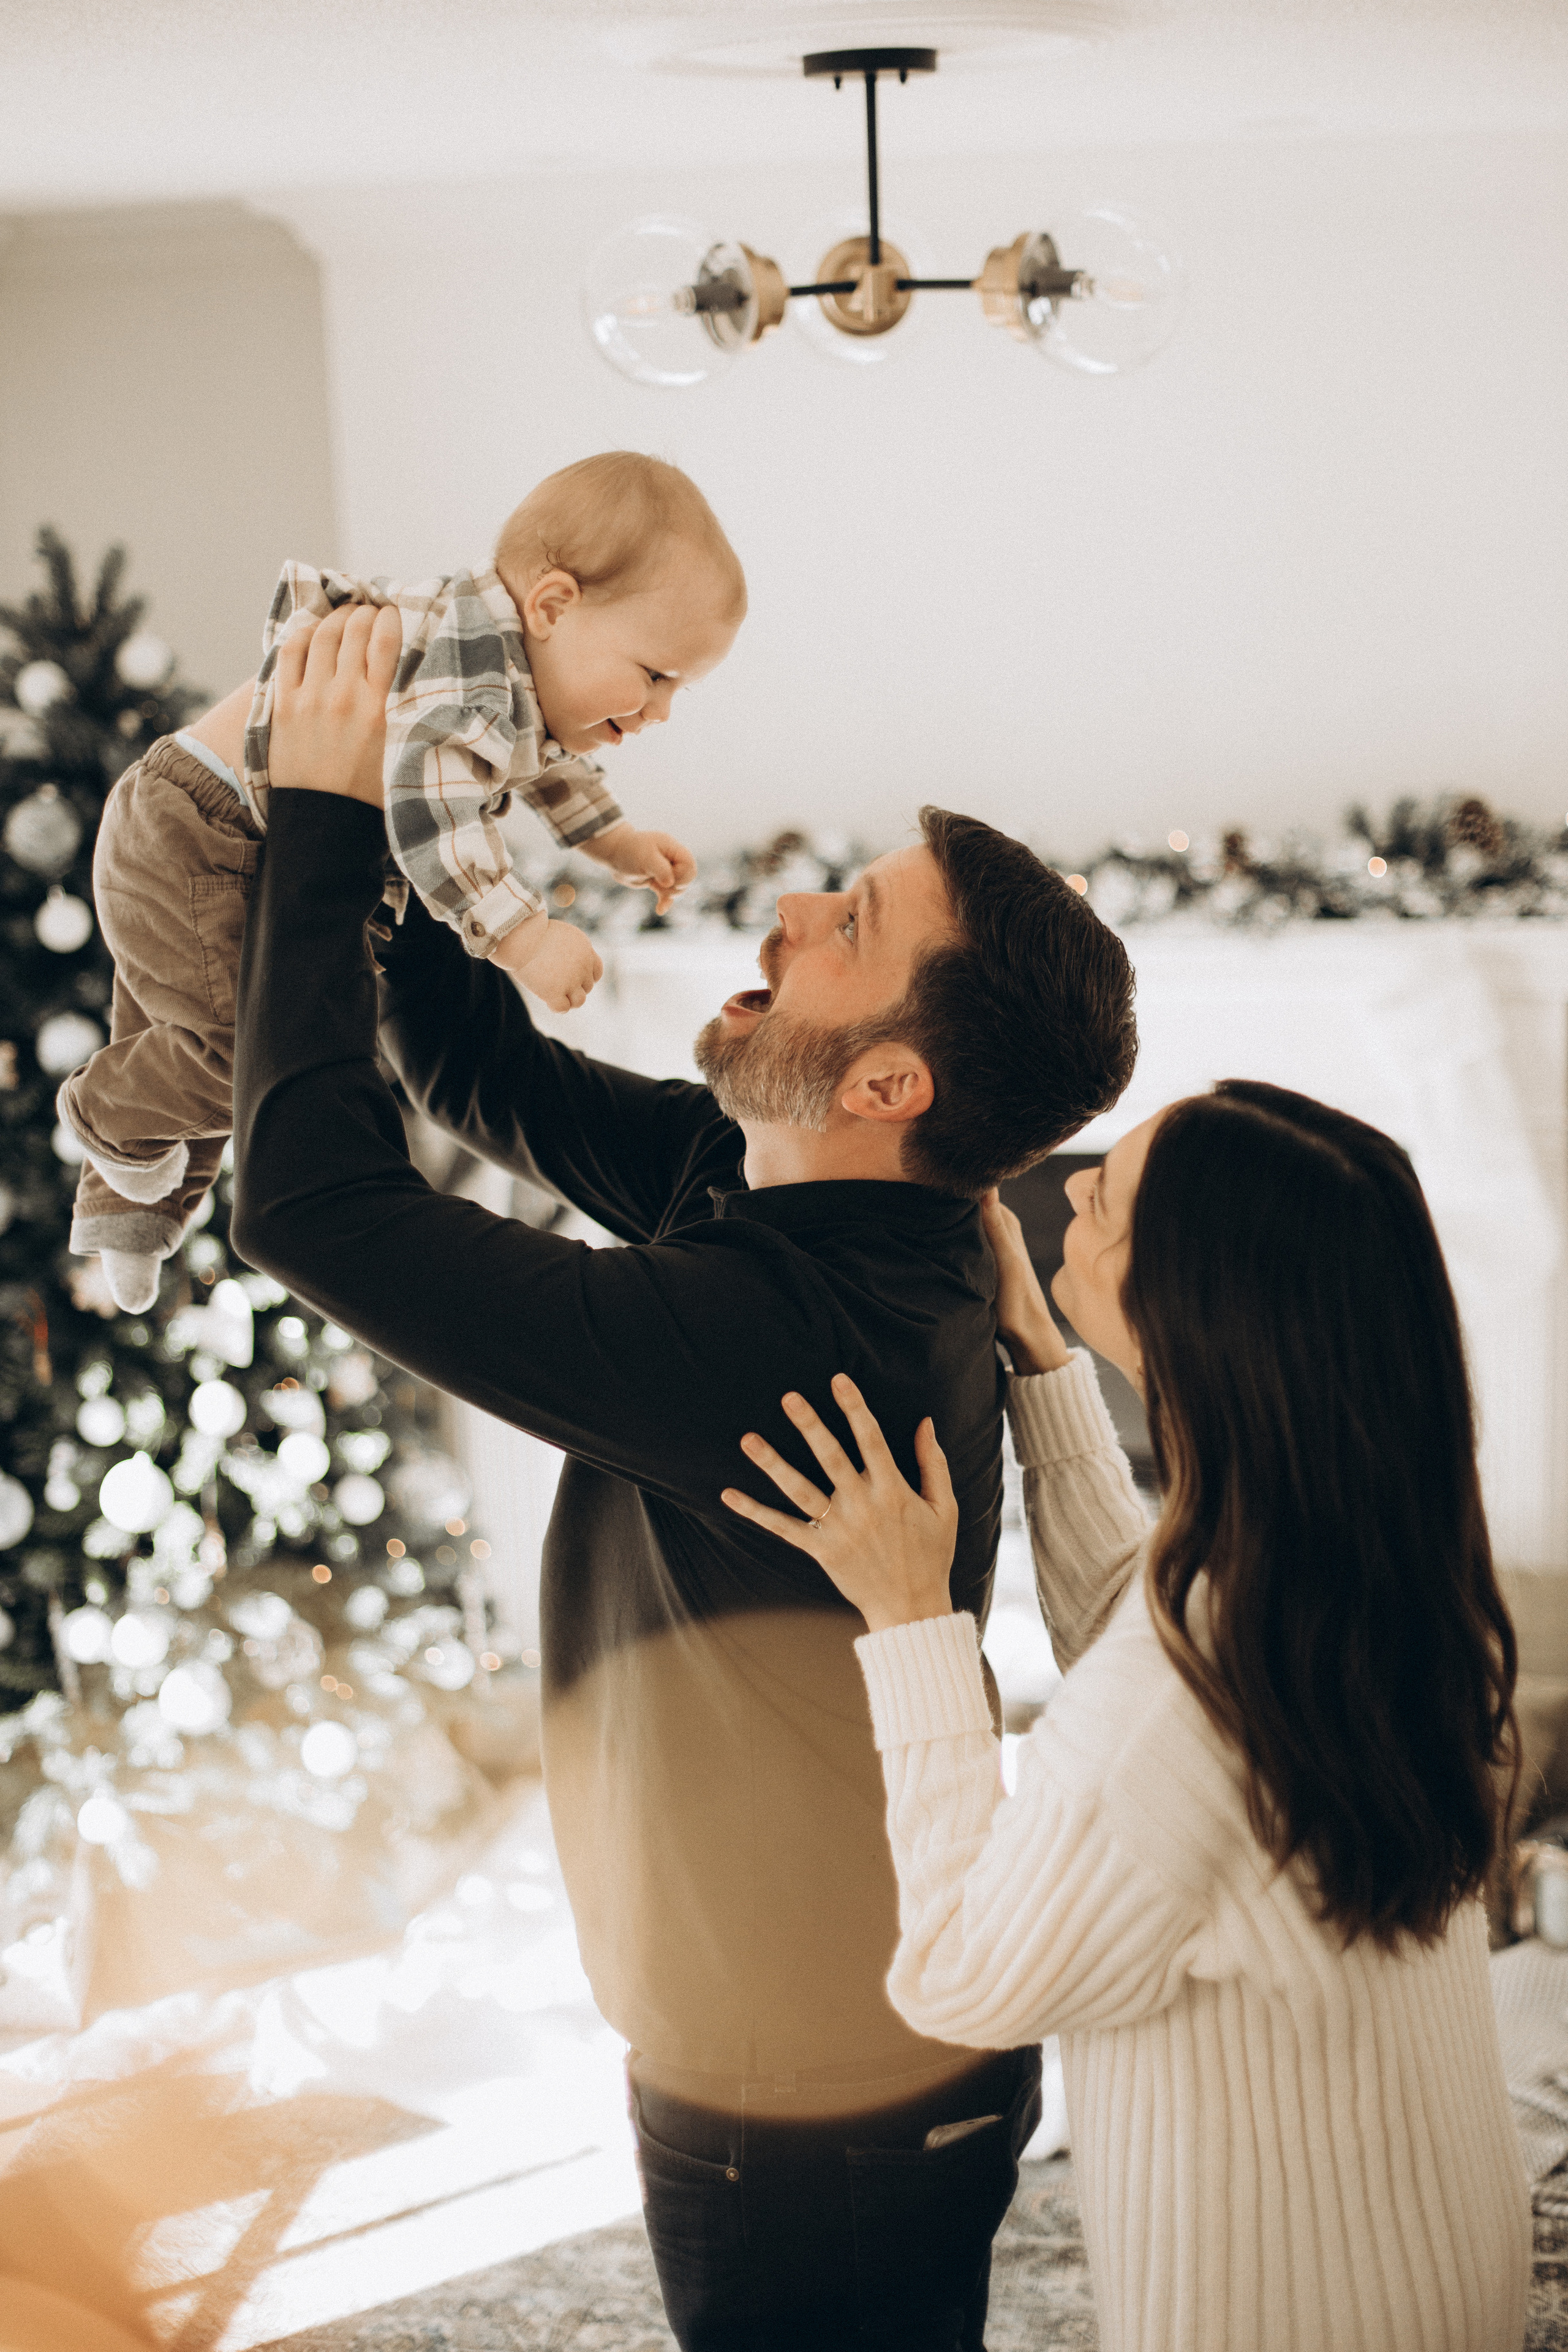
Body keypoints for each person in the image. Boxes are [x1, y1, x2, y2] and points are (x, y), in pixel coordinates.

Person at [227, 601, 1139, 2351]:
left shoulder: (783, 1333)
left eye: (848, 922)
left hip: (820, 2104)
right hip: (818, 2050)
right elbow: (477, 1068)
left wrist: (321, 831)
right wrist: (423, 825)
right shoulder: (783, 1179)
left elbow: (314, 1208)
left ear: (885, 1078)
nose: (789, 904)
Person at [725, 1091, 1530, 2352]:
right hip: (1440, 2282)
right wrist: (1045, 1369)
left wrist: (907, 1620)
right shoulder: (1373, 1582)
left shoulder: (1175, 1709)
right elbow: (1138, 1640)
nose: (1079, 1185)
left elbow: (958, 1975)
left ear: (1194, 1312)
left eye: (1117, 1192)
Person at [59, 450, 739, 1311]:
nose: (661, 711)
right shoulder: (469, 677)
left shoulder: (513, 676)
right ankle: (106, 1116)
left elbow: (547, 767)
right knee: (237, 1050)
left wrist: (616, 841)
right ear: (555, 604)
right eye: (654, 676)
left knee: (187, 1035)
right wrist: (524, 936)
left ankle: (127, 1219)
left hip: (216, 832)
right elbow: (434, 819)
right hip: (200, 831)